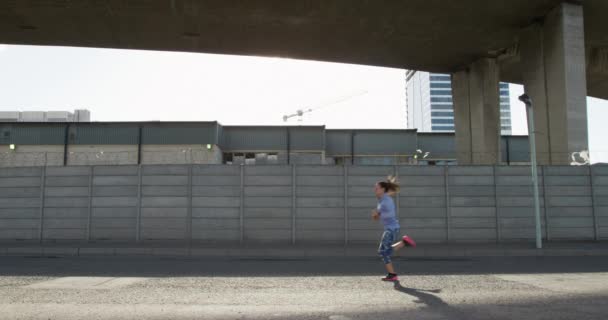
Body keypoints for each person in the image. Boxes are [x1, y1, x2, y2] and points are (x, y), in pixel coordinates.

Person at [372, 176, 416, 281]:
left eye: (377, 188)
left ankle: (392, 274)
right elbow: (391, 193)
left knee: (383, 252)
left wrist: (375, 214)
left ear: (382, 189)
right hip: (392, 228)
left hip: (390, 229)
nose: (374, 190)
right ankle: (403, 243)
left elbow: (376, 217)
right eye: (374, 188)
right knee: (384, 251)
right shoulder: (385, 197)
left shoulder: (383, 202)